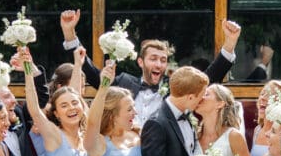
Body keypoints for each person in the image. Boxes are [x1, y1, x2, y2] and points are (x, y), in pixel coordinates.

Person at [60, 11, 242, 127]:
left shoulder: (175, 88)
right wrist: (69, 33)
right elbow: (91, 73)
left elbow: (207, 78)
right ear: (140, 62)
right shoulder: (123, 82)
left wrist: (230, 43)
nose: (158, 65)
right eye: (153, 59)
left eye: (163, 60)